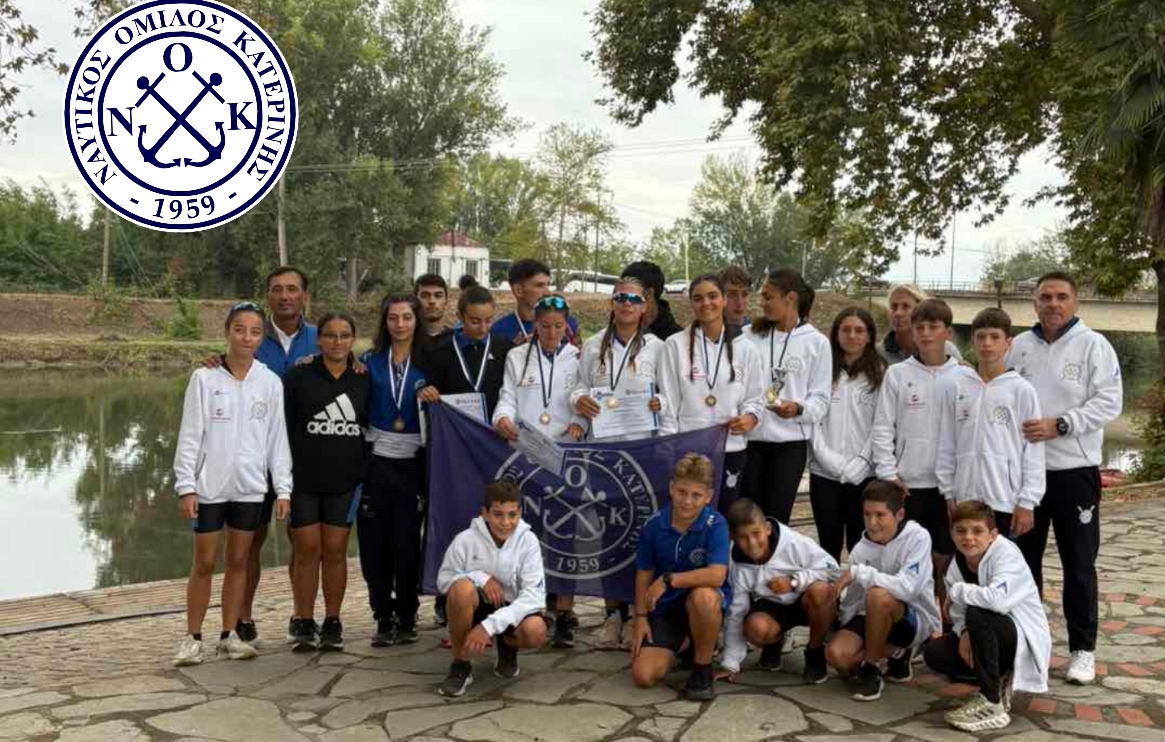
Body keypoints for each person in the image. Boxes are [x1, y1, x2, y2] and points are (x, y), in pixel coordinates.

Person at [1006, 271, 1122, 685]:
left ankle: (1082, 650)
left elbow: (1109, 402)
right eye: (1045, 297)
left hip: (1074, 473)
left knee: (1079, 565)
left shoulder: (1094, 346)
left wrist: (1061, 424)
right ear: (1034, 303)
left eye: (1061, 297)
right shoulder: (1018, 346)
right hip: (1025, 477)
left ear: (1075, 302)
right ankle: (1028, 645)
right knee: (1023, 565)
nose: (1053, 304)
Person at [172, 302, 292, 666]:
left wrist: (283, 488)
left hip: (250, 488)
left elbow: (277, 439)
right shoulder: (204, 378)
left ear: (262, 338)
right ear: (227, 332)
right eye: (239, 330)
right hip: (209, 487)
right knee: (205, 561)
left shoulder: (270, 382)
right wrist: (186, 485)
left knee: (239, 560)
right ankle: (193, 638)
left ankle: (229, 635)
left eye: (255, 332)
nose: (246, 338)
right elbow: (190, 435)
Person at [570, 276, 666, 649]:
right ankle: (613, 614)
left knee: (642, 533)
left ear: (644, 307)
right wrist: (579, 400)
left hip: (643, 453)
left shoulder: (658, 348)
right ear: (611, 304)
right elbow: (578, 386)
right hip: (605, 453)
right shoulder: (594, 345)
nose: (627, 304)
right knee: (609, 534)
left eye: (634, 299)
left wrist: (661, 403)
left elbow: (669, 394)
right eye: (620, 298)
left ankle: (639, 613)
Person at [282, 312, 369, 651]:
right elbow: (281, 427)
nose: (337, 341)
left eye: (344, 335)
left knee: (335, 551)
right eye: (330, 335)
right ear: (318, 339)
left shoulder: (363, 377)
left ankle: (333, 620)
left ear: (353, 340)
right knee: (307, 549)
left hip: (345, 479)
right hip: (302, 479)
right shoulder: (298, 375)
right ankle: (303, 619)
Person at [924, 501, 1051, 733]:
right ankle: (996, 680)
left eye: (977, 531)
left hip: (1021, 635)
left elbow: (997, 601)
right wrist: (965, 632)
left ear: (992, 534)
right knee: (935, 652)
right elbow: (956, 615)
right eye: (961, 531)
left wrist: (959, 591)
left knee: (978, 611)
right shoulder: (954, 564)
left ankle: (992, 702)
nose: (968, 538)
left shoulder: (1006, 554)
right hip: (984, 631)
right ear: (952, 534)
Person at [656, 274, 765, 514]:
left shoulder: (746, 349)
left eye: (713, 296)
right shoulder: (674, 345)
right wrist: (668, 452)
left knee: (723, 517)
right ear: (691, 303)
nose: (706, 303)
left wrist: (750, 417)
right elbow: (668, 406)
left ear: (724, 300)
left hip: (731, 449)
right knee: (687, 516)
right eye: (698, 298)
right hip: (688, 453)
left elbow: (756, 399)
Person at [872, 298, 961, 583]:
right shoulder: (897, 374)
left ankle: (944, 609)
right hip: (907, 486)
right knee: (907, 559)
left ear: (948, 332)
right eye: (919, 327)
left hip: (948, 488)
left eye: (933, 327)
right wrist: (888, 473)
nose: (925, 333)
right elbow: (883, 427)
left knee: (946, 559)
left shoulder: (964, 376)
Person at [827, 480, 942, 701]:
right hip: (870, 616)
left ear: (899, 515)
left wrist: (860, 573)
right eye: (867, 514)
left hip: (912, 619)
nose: (872, 523)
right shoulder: (860, 549)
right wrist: (845, 629)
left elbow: (907, 588)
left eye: (880, 515)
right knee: (837, 655)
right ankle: (898, 653)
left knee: (877, 595)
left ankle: (871, 669)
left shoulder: (918, 537)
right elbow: (853, 600)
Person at [936, 308, 1045, 538]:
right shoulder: (957, 386)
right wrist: (948, 493)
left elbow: (1033, 450)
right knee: (968, 557)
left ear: (1008, 343)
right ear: (972, 342)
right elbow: (946, 443)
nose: (987, 344)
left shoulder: (1022, 390)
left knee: (1001, 558)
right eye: (981, 337)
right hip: (965, 499)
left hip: (1004, 500)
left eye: (995, 337)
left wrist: (1028, 501)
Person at [630, 453, 731, 701]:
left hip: (702, 604)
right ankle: (686, 642)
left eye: (696, 495)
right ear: (671, 489)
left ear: (708, 496)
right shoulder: (654, 525)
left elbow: (717, 575)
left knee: (704, 597)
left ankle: (702, 668)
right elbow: (643, 573)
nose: (687, 501)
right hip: (666, 610)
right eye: (682, 492)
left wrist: (669, 580)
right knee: (644, 676)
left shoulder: (716, 524)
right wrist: (640, 618)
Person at [358, 294, 429, 647]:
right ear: (384, 322)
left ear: (417, 321)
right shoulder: (368, 361)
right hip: (376, 461)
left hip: (414, 463)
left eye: (407, 317)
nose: (400, 324)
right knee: (375, 544)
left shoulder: (431, 362)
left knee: (406, 543)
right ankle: (382, 615)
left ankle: (407, 614)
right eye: (393, 318)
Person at [435, 480, 548, 696]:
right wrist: (480, 577)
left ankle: (507, 645)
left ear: (520, 513)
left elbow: (534, 596)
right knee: (461, 589)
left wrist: (489, 627)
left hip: (510, 610)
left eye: (512, 515)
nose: (505, 522)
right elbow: (444, 580)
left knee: (536, 631)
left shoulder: (528, 541)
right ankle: (460, 665)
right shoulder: (465, 540)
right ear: (485, 513)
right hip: (476, 607)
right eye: (498, 515)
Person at [742, 269, 831, 523]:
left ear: (790, 298)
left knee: (776, 522)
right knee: (747, 520)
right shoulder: (749, 336)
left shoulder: (817, 343)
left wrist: (799, 409)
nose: (761, 302)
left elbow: (821, 399)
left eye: (768, 297)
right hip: (750, 442)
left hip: (789, 447)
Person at [717, 498, 838, 682]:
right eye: (743, 537)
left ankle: (815, 651)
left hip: (806, 600)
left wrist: (794, 581)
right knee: (756, 628)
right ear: (732, 536)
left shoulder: (794, 543)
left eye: (756, 533)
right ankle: (774, 642)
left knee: (821, 591)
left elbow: (833, 570)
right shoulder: (736, 562)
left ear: (767, 528)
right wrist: (730, 662)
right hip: (770, 606)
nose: (752, 542)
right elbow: (736, 611)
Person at [809, 307, 886, 561]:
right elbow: (813, 420)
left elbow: (882, 423)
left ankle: (858, 588)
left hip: (864, 475)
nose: (852, 336)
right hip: (824, 473)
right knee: (828, 543)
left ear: (869, 336)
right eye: (846, 330)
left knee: (860, 544)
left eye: (859, 330)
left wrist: (862, 462)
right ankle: (830, 588)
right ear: (836, 333)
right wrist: (827, 459)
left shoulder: (881, 373)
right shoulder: (821, 369)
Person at [493, 294, 584, 444]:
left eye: (558, 326)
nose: (552, 333)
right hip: (526, 443)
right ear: (535, 323)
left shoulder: (577, 357)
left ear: (566, 325)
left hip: (566, 443)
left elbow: (583, 397)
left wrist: (579, 422)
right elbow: (508, 397)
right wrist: (502, 417)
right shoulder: (516, 356)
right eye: (545, 326)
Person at [491, 259, 579, 345]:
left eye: (548, 285)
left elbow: (578, 352)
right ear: (518, 291)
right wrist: (515, 351)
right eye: (539, 286)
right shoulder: (499, 330)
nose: (547, 292)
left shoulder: (567, 323)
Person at [877, 284, 963, 365]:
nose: (898, 313)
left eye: (906, 306)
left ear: (921, 311)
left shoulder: (946, 350)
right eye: (894, 307)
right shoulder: (879, 353)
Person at [622, 260, 683, 339]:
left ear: (649, 294)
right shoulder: (613, 334)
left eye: (631, 295)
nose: (625, 302)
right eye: (622, 295)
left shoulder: (677, 340)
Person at [415, 273, 453, 343]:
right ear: (415, 301)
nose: (432, 301)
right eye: (425, 296)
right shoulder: (405, 340)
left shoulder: (457, 341)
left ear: (446, 302)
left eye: (438, 296)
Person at [720, 265, 752, 338]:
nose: (740, 302)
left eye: (745, 294)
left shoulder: (756, 335)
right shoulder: (705, 335)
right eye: (732, 295)